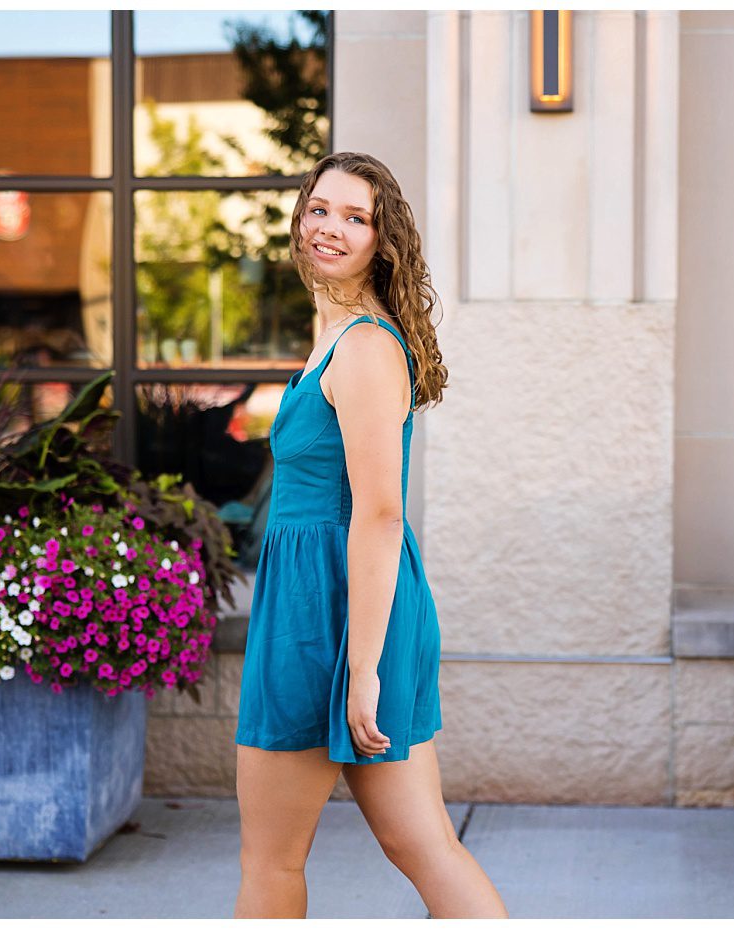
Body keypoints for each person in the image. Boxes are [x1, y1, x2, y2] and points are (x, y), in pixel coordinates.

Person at [231, 152, 507, 917]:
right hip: (328, 604)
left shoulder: (363, 348)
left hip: (341, 613)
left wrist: (360, 669)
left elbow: (382, 512)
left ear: (382, 243)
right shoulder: (340, 334)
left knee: (270, 861)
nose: (330, 227)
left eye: (356, 217)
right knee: (419, 843)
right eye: (321, 208)